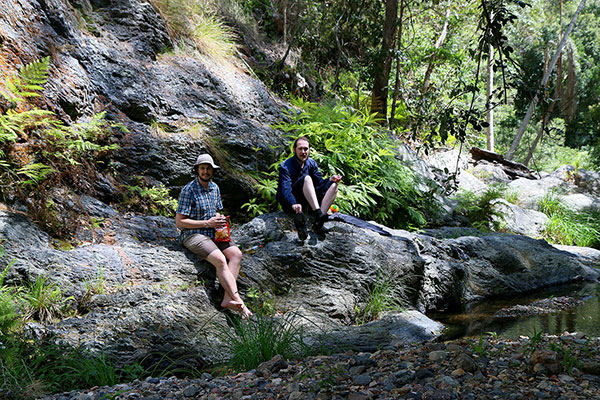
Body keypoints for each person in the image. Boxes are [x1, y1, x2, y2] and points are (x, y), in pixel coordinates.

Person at [176, 154, 252, 319]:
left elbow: (217, 210)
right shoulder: (188, 190)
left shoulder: (215, 188)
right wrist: (206, 223)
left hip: (213, 233)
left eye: (208, 168)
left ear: (212, 171)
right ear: (197, 170)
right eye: (202, 168)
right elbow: (180, 222)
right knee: (220, 259)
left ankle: (227, 299)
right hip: (193, 234)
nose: (205, 171)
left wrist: (218, 220)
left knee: (236, 254)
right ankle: (238, 299)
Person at [276, 136, 342, 240]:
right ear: (294, 150)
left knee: (334, 185)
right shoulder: (286, 166)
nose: (303, 152)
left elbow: (319, 183)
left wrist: (330, 180)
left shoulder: (311, 163)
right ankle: (317, 213)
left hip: (308, 200)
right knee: (306, 178)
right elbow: (285, 190)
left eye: (306, 149)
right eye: (300, 149)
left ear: (309, 150)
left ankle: (319, 221)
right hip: (291, 202)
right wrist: (293, 203)